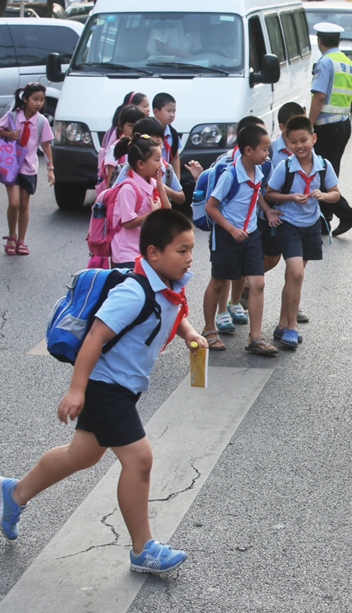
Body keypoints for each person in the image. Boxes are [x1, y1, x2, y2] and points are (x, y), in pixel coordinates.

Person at [1, 209, 204, 573]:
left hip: (125, 388)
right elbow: (95, 337)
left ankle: (14, 494)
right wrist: (77, 390)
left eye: (191, 249)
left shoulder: (167, 284)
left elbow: (172, 309)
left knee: (82, 455)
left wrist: (188, 333)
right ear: (154, 253)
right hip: (106, 386)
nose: (190, 258)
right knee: (139, 460)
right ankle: (144, 549)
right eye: (182, 250)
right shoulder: (132, 292)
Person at [261, 117, 340, 349]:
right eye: (293, 141)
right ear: (287, 143)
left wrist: (323, 196)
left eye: (304, 140)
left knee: (294, 276)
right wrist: (291, 198)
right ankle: (293, 327)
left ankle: (282, 324)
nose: (299, 145)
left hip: (311, 225)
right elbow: (270, 193)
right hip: (288, 224)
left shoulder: (323, 165)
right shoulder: (285, 167)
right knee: (296, 274)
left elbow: (335, 192)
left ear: (313, 138)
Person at [201, 125, 278, 356]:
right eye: (264, 149)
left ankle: (255, 337)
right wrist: (231, 229)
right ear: (247, 150)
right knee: (218, 282)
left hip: (251, 235)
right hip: (227, 235)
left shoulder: (259, 170)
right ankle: (208, 329)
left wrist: (267, 210)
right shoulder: (230, 176)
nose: (267, 154)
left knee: (258, 283)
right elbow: (211, 207)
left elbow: (257, 194)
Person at [307, 22, 352, 237]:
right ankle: (325, 220)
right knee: (327, 173)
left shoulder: (326, 62)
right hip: (343, 123)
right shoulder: (347, 62)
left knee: (321, 175)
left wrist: (309, 125)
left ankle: (347, 215)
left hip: (327, 126)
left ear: (320, 41)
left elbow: (319, 96)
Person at [1, 83, 53, 256]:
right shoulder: (13, 116)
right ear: (25, 99)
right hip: (12, 166)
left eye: (42, 100)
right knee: (14, 203)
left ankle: (22, 240)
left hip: (29, 167)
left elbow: (46, 145)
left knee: (24, 205)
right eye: (35, 99)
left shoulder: (41, 121)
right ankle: (12, 236)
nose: (39, 103)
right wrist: (9, 134)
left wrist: (50, 168)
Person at [110, 136, 172, 268]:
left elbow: (168, 212)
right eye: (156, 160)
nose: (160, 165)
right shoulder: (128, 188)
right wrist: (152, 214)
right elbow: (127, 223)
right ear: (141, 164)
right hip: (127, 255)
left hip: (144, 252)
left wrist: (160, 186)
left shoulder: (154, 183)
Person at [112, 117, 193, 209]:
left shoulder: (166, 168)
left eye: (159, 143)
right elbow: (113, 195)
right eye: (152, 144)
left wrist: (164, 189)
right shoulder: (129, 169)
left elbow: (181, 198)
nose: (157, 148)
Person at [101, 105, 145, 191]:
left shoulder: (144, 147)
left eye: (138, 125)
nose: (135, 130)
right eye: (131, 126)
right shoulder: (115, 148)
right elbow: (111, 182)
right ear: (121, 126)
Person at [271, 102, 307, 172]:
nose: (302, 129)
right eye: (296, 126)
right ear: (282, 128)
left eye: (305, 124)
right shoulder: (271, 151)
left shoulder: (308, 148)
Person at [152, 93, 180, 180]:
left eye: (174, 111)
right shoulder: (147, 130)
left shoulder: (173, 133)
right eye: (168, 111)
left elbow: (175, 158)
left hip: (165, 177)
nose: (172, 115)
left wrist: (177, 180)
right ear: (156, 112)